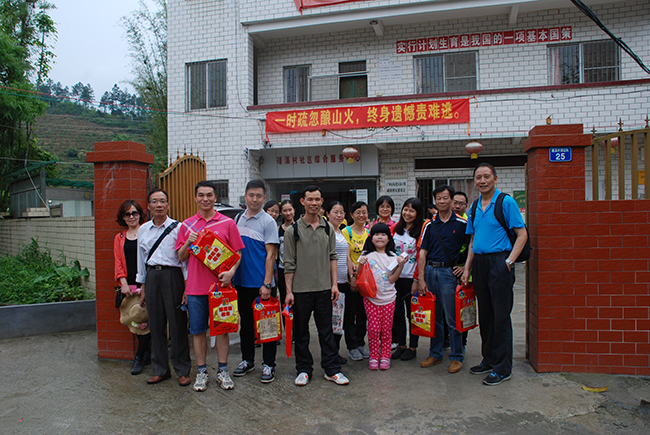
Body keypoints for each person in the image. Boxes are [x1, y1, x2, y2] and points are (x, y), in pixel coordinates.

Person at [462, 163, 527, 386]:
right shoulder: (474, 207)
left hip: (499, 262)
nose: (482, 181)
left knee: (501, 317)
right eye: (478, 177)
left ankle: (502, 368)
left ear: (495, 178)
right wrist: (468, 268)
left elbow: (522, 235)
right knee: (486, 316)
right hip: (480, 264)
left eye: (486, 176)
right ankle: (488, 359)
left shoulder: (506, 202)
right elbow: (473, 239)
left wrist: (509, 262)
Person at [176, 181, 244, 392]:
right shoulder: (187, 226)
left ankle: (222, 370)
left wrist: (231, 272)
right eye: (201, 195)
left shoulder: (227, 223)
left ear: (215, 198)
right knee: (198, 332)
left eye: (209, 195)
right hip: (195, 289)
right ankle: (202, 371)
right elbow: (181, 257)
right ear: (195, 198)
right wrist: (188, 242)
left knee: (222, 331)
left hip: (221, 288)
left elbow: (237, 253)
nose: (205, 199)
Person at [284, 186, 349, 386]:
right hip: (300, 290)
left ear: (322, 202)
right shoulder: (293, 230)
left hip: (324, 289)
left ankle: (332, 369)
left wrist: (334, 285)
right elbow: (289, 263)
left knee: (326, 331)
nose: (314, 203)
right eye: (310, 199)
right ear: (302, 202)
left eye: (317, 199)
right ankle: (303, 369)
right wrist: (288, 291)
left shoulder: (327, 228)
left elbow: (332, 257)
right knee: (301, 332)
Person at [136, 189, 192, 386]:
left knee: (177, 325)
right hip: (152, 276)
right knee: (156, 324)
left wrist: (187, 286)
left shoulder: (179, 227)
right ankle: (160, 369)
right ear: (149, 206)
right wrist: (142, 286)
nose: (158, 205)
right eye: (154, 201)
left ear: (168, 205)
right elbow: (141, 259)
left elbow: (185, 260)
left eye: (162, 201)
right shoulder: (143, 229)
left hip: (173, 276)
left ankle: (182, 370)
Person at [418, 185, 469, 374]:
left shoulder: (462, 224)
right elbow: (422, 252)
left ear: (451, 200)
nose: (442, 201)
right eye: (438, 198)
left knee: (452, 317)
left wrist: (465, 268)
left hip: (449, 274)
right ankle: (436, 353)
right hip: (430, 272)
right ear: (435, 201)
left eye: (445, 198)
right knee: (434, 316)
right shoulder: (429, 224)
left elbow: (473, 246)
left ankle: (456, 356)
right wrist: (421, 278)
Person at [233, 180, 280, 383]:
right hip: (241, 282)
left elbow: (271, 255)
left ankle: (269, 364)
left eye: (259, 196)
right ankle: (247, 360)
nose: (254, 199)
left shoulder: (268, 221)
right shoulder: (238, 219)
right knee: (246, 325)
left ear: (264, 198)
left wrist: (267, 283)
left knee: (267, 325)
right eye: (251, 195)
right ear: (245, 196)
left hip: (262, 284)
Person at [358, 223, 406, 370]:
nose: (380, 237)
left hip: (389, 299)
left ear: (388, 238)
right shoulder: (366, 255)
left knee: (386, 330)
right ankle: (374, 355)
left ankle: (385, 356)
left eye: (383, 234)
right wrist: (360, 264)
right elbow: (359, 276)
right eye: (376, 234)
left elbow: (392, 279)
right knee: (373, 329)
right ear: (371, 238)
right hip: (371, 299)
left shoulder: (393, 257)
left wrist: (401, 266)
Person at [114, 199, 151, 375]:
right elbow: (118, 263)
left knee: (147, 319)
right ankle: (145, 354)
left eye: (134, 213)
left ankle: (140, 357)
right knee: (136, 318)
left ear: (139, 214)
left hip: (146, 282)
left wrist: (145, 284)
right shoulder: (119, 238)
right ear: (123, 217)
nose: (131, 217)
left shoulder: (147, 232)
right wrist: (123, 283)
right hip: (129, 285)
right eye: (127, 214)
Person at [390, 197, 425, 362]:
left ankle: (413, 347)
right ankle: (401, 345)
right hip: (395, 278)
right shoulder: (395, 229)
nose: (407, 213)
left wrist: (417, 280)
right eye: (405, 209)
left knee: (413, 315)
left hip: (411, 279)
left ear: (418, 213)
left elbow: (421, 258)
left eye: (412, 210)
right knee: (397, 313)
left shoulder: (421, 231)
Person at [342, 201, 370, 361]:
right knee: (350, 314)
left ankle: (360, 343)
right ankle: (351, 346)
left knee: (362, 314)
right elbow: (347, 257)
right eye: (358, 212)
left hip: (365, 282)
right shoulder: (346, 232)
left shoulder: (368, 232)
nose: (361, 215)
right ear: (351, 214)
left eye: (364, 212)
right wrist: (352, 278)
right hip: (350, 280)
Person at [324, 201, 350, 365]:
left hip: (343, 280)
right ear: (327, 214)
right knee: (329, 320)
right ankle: (329, 355)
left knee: (339, 320)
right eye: (335, 212)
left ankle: (335, 353)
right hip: (330, 282)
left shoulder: (341, 232)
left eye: (342, 212)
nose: (339, 215)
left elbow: (346, 254)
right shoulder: (325, 232)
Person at [277, 200, 295, 309]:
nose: (288, 213)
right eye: (285, 210)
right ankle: (286, 319)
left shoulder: (299, 228)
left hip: (296, 270)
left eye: (290, 210)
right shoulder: (278, 229)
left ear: (294, 210)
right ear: (281, 213)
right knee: (284, 300)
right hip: (282, 269)